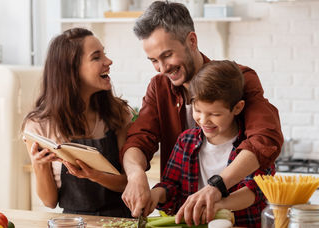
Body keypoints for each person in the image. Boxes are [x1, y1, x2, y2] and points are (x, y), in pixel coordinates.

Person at [120, 0, 283, 224]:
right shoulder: (159, 87)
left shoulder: (239, 79)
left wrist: (216, 188)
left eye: (167, 55)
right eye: (154, 60)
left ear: (192, 41)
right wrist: (136, 174)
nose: (162, 68)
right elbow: (138, 140)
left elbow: (265, 139)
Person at [150, 60, 275, 227]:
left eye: (215, 114)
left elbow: (255, 191)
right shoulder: (185, 141)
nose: (203, 120)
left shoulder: (251, 147)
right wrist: (155, 194)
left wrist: (218, 205)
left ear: (237, 108)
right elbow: (171, 185)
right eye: (198, 110)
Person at [21, 28, 132, 217]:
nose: (108, 62)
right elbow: (49, 201)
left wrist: (94, 175)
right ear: (71, 70)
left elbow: (128, 183)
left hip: (119, 220)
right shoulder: (38, 126)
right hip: (73, 222)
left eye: (104, 54)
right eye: (96, 57)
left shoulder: (117, 114)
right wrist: (38, 165)